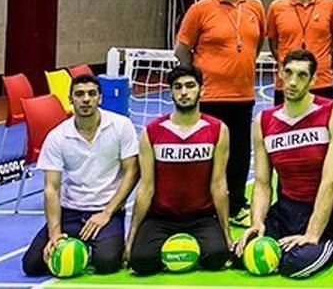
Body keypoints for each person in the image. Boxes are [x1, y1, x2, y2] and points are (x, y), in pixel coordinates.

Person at [235, 50, 333, 279]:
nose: (292, 82)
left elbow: (331, 180)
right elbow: (262, 183)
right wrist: (257, 223)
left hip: (323, 212)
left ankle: (329, 242)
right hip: (285, 211)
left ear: (313, 79)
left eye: (301, 75)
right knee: (244, 255)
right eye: (288, 73)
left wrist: (312, 233)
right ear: (280, 73)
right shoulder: (264, 121)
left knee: (295, 265)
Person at [174, 0, 265, 226]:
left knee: (239, 155)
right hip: (210, 98)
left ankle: (236, 206)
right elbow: (182, 50)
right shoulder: (199, 9)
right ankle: (204, 208)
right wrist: (198, 80)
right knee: (208, 155)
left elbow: (256, 45)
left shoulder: (255, 6)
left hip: (242, 96)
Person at [22, 74, 139, 277]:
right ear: (70, 99)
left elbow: (132, 170)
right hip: (70, 212)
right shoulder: (57, 136)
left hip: (106, 211)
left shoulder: (121, 126)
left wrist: (107, 212)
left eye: (92, 94)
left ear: (100, 98)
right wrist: (55, 234)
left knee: (107, 263)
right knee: (32, 265)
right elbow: (51, 188)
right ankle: (80, 244)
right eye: (79, 94)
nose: (86, 99)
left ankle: (95, 244)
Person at [126, 66, 231, 275]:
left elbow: (219, 185)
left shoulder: (218, 129)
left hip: (201, 217)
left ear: (201, 90)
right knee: (140, 262)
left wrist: (226, 233)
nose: (184, 92)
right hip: (161, 217)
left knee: (217, 257)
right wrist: (131, 238)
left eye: (190, 86)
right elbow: (146, 187)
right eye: (178, 87)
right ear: (171, 92)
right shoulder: (152, 131)